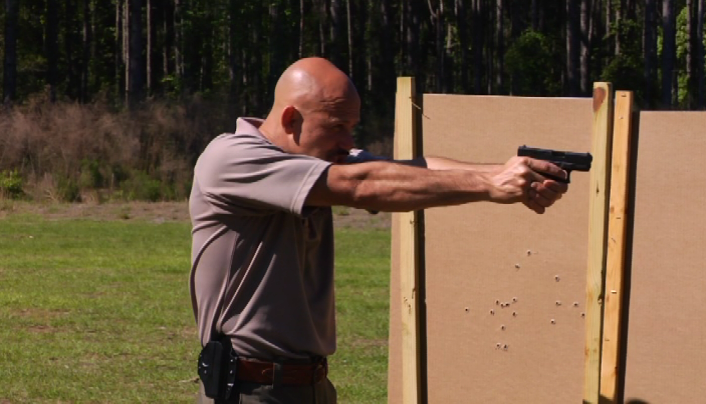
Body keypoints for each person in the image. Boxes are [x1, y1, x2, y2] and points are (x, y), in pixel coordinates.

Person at [189, 57, 568, 404]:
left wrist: (506, 172)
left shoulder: (320, 157)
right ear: (291, 120)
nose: (349, 143)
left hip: (310, 386)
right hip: (249, 390)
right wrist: (489, 186)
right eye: (337, 127)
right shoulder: (232, 159)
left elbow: (411, 168)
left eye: (352, 128)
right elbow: (362, 184)